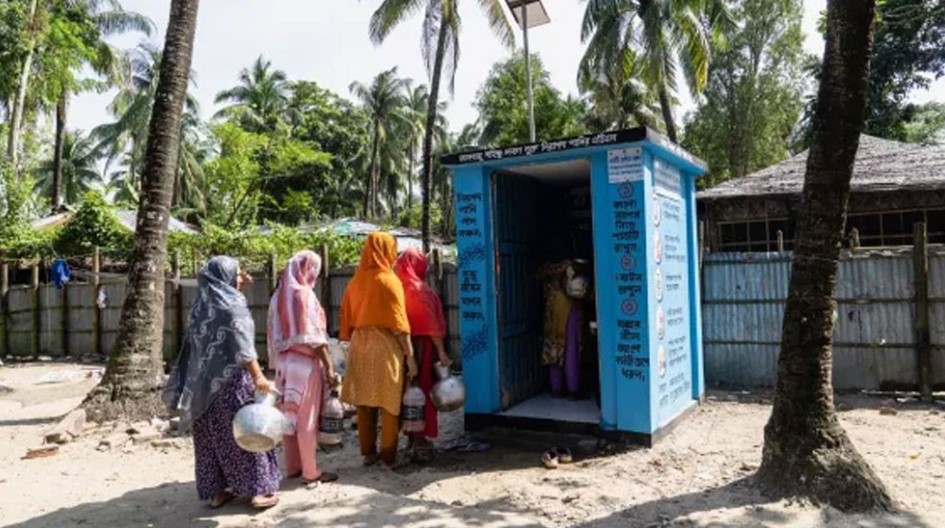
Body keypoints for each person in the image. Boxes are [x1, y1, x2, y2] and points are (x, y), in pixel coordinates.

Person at [163, 256, 281, 510]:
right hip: (230, 383)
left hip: (201, 388)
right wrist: (259, 377)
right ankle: (258, 491)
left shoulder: (200, 305)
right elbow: (243, 348)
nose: (242, 277)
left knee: (210, 439)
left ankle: (217, 492)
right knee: (246, 432)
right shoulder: (232, 305)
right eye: (238, 272)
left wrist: (238, 285)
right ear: (224, 276)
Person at [340, 232, 417, 467]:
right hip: (384, 346)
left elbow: (345, 319)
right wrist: (410, 358)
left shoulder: (354, 282)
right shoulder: (389, 280)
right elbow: (400, 325)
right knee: (389, 402)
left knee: (364, 402)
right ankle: (388, 455)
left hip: (360, 345)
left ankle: (368, 453)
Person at [268, 250, 339, 486]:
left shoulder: (277, 296)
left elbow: (272, 335)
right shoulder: (305, 296)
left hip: (283, 365)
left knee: (289, 418)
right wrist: (329, 367)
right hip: (304, 364)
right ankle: (311, 472)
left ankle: (293, 467)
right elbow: (316, 338)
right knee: (307, 418)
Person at [394, 248, 452, 459]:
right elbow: (430, 326)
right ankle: (420, 439)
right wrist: (442, 352)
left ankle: (411, 436)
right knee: (423, 391)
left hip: (400, 347)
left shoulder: (397, 288)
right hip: (422, 347)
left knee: (408, 392)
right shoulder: (420, 290)